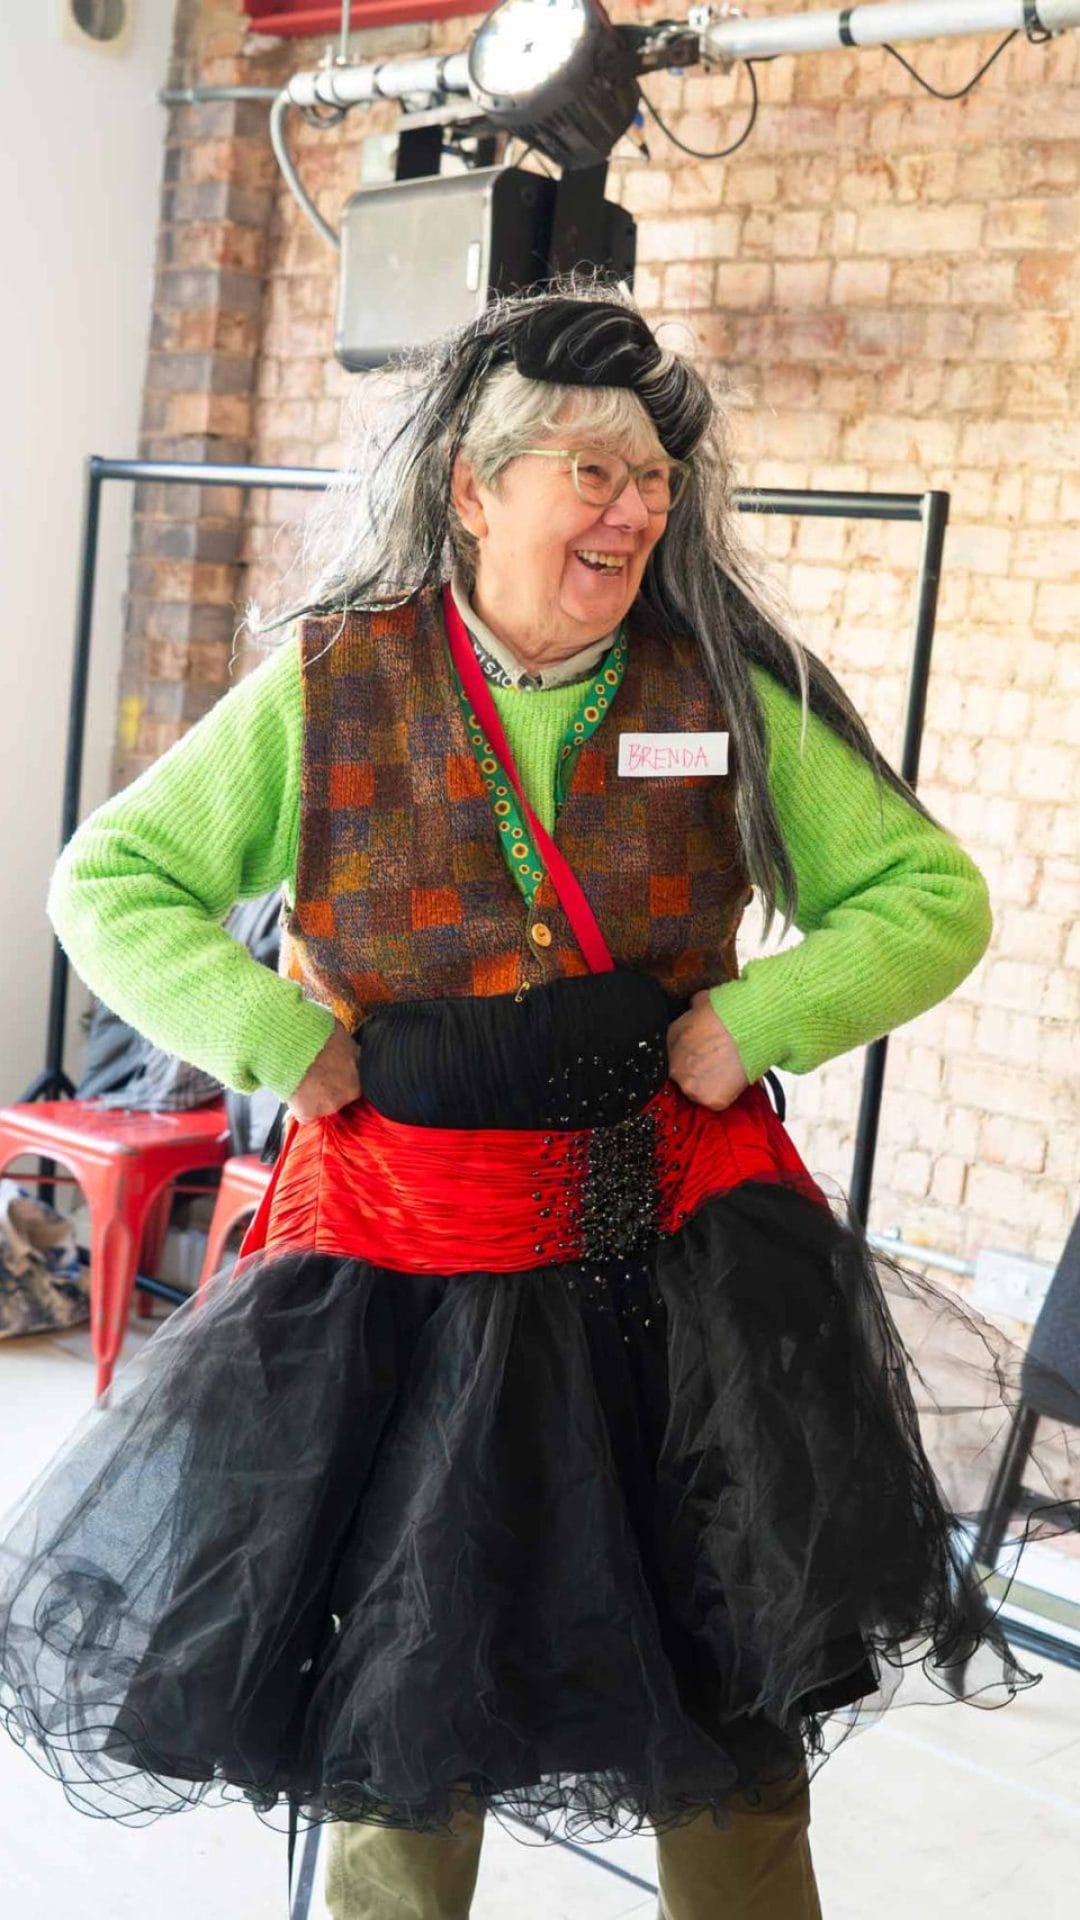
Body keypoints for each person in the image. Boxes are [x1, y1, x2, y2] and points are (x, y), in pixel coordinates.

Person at [0, 288, 1070, 1920]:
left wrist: (757, 1018)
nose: (635, 509)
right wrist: (275, 1036)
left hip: (677, 1273)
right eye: (589, 470)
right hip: (402, 1274)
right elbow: (110, 879)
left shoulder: (719, 684)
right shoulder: (331, 683)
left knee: (730, 1695)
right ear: (473, 491)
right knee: (402, 1711)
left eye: (652, 480)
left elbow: (929, 896)